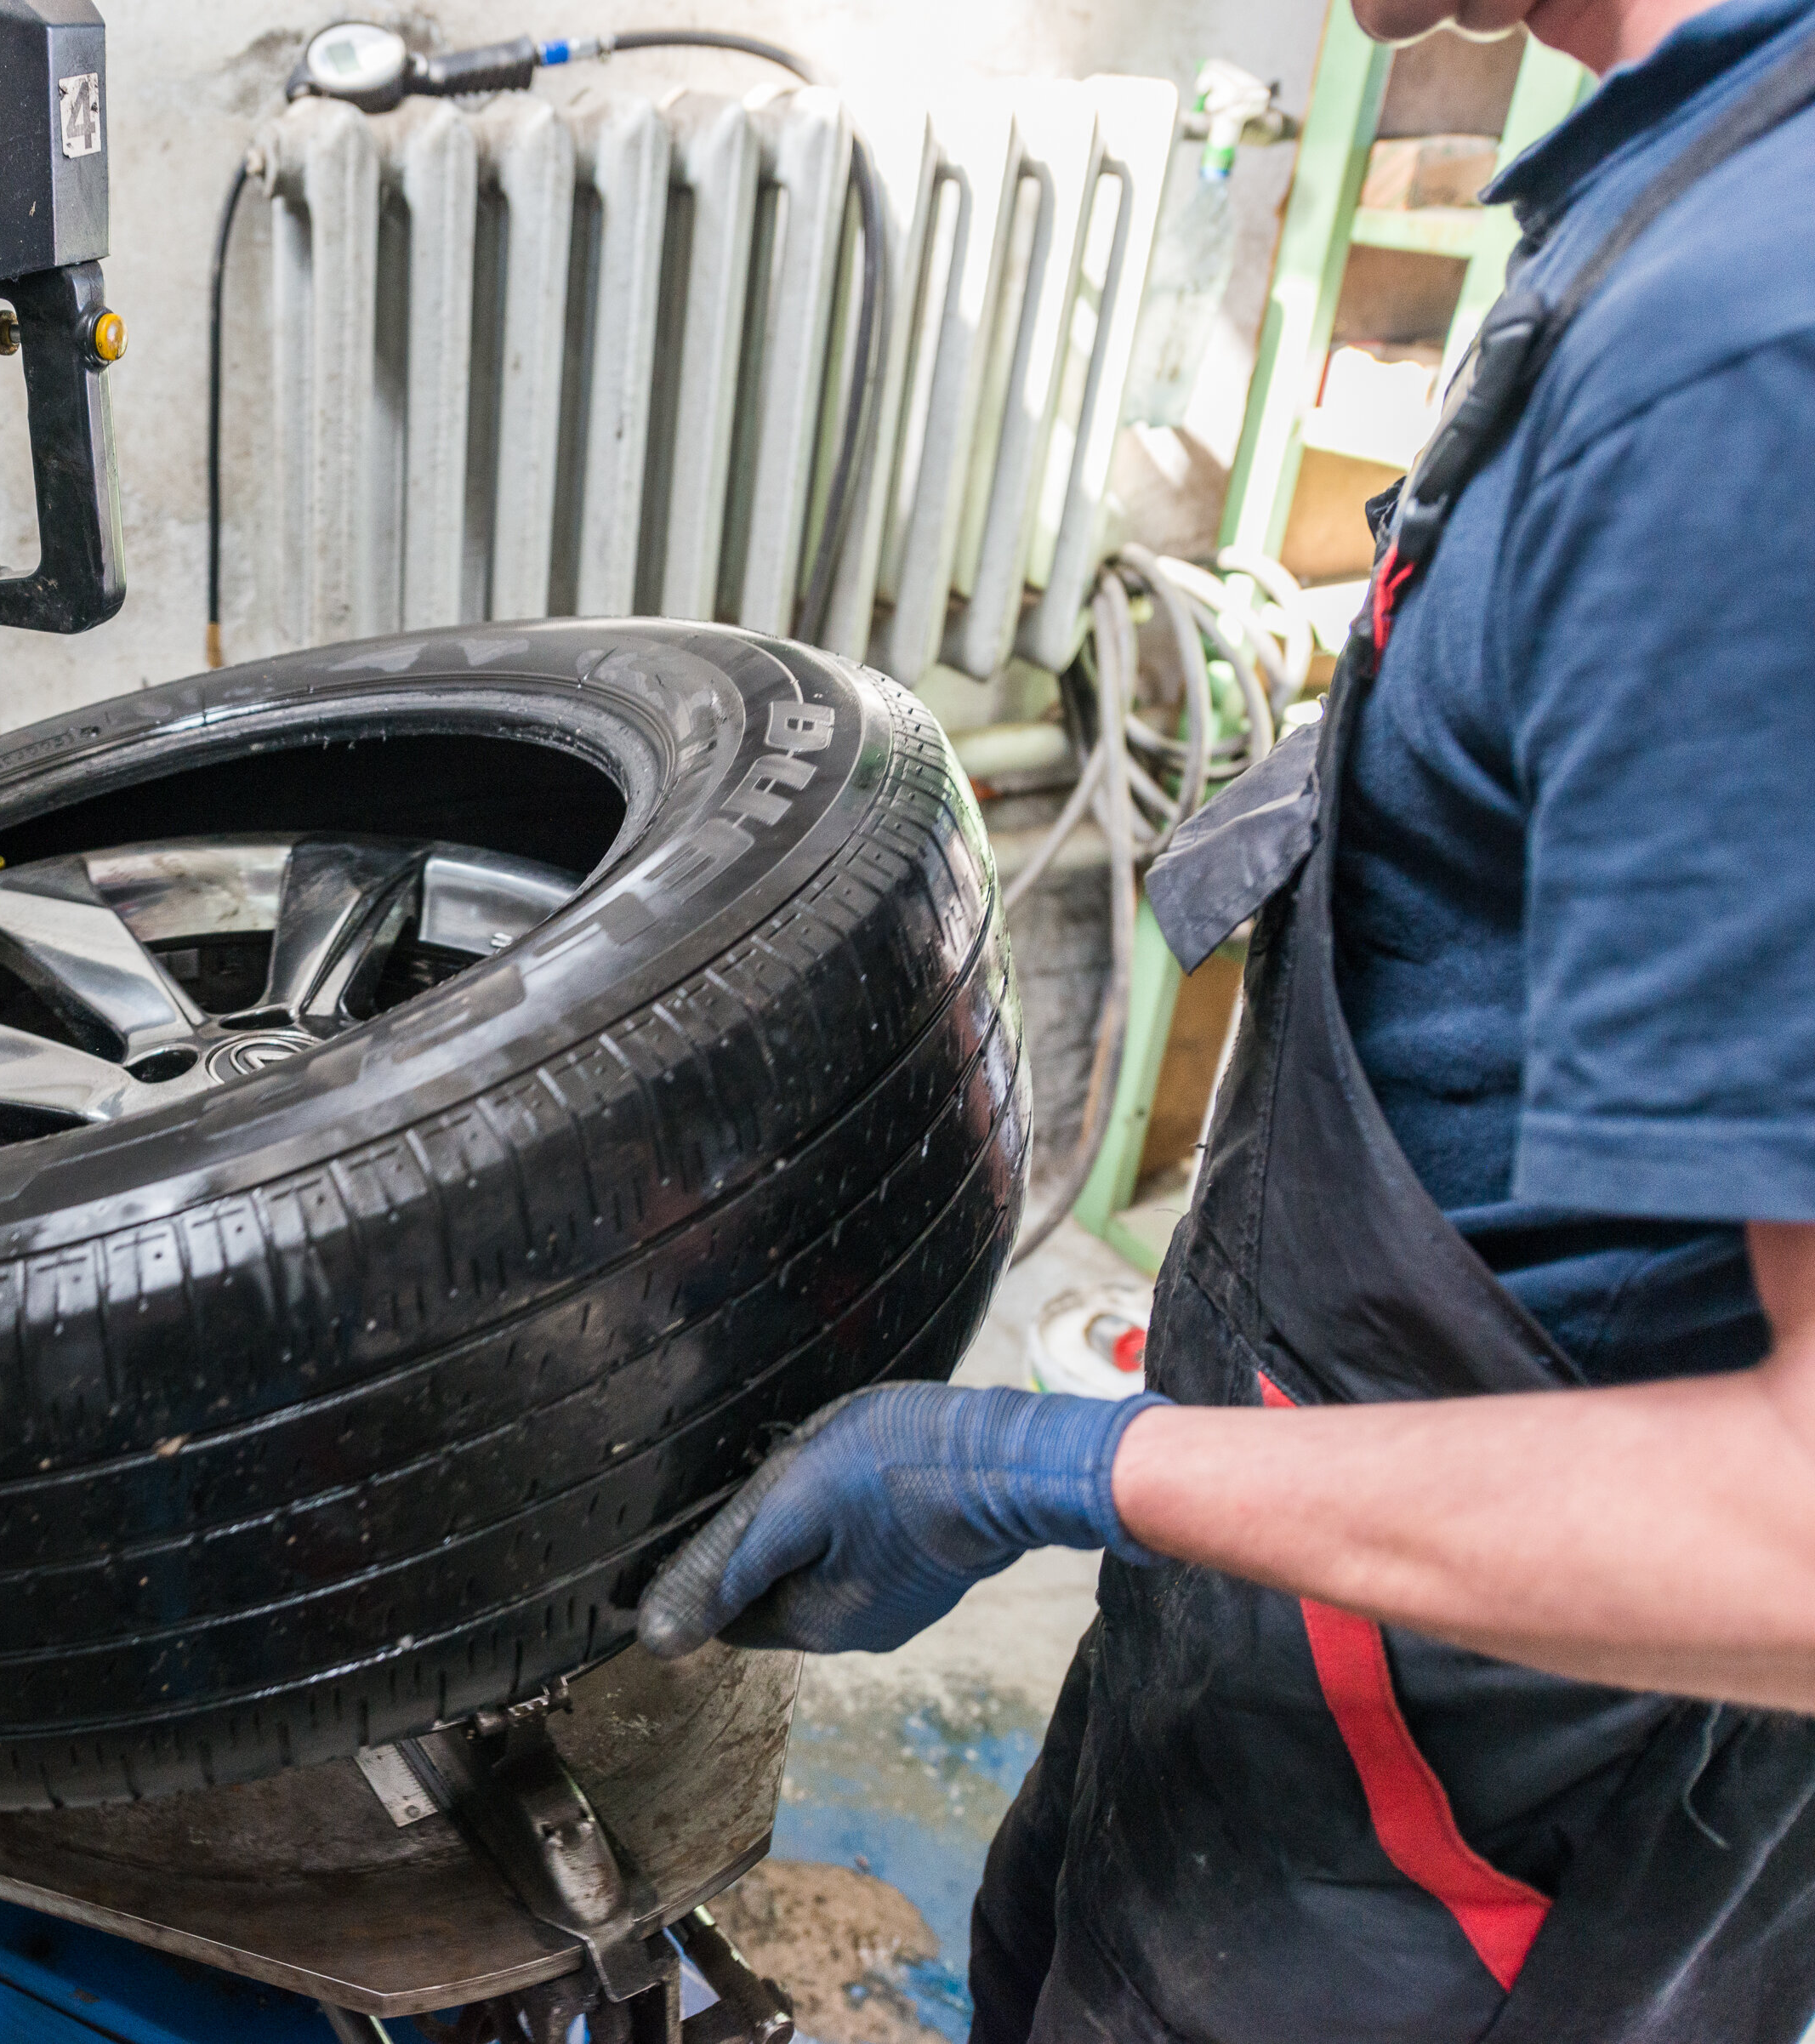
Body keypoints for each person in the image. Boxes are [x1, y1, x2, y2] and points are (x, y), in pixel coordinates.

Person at [635, 0, 1815, 2035]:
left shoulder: (1742, 362)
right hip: (1287, 1653)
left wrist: (1062, 1463)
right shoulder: (1663, 194)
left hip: (1480, 1825)